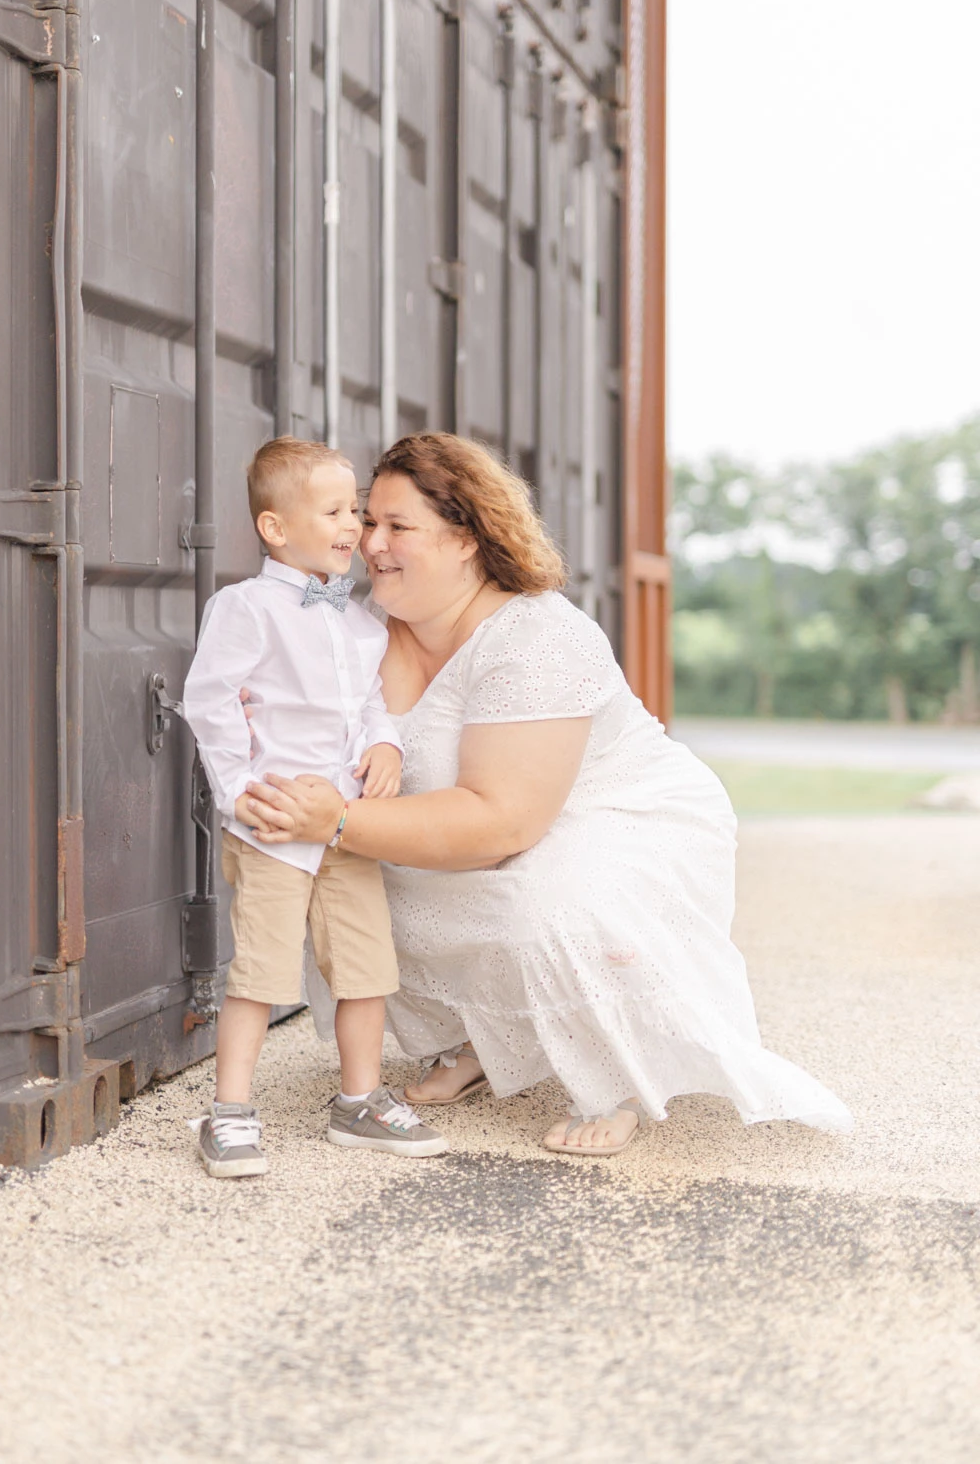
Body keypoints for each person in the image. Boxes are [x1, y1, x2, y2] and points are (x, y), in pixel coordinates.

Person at [238, 433, 853, 1156]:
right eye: (369, 521)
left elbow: (503, 821)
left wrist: (340, 817)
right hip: (492, 821)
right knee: (364, 874)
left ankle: (615, 1075)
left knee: (543, 901)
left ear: (468, 538)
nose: (370, 542)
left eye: (398, 527)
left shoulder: (539, 637)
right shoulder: (361, 629)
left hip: (619, 813)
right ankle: (484, 1041)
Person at [182, 437, 448, 1176]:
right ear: (275, 528)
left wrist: (386, 746)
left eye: (354, 509)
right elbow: (210, 702)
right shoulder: (245, 608)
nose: (352, 526)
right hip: (272, 828)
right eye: (334, 511)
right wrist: (238, 795)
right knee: (261, 973)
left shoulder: (358, 620)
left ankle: (358, 1101)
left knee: (365, 967)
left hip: (345, 825)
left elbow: (366, 703)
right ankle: (230, 1110)